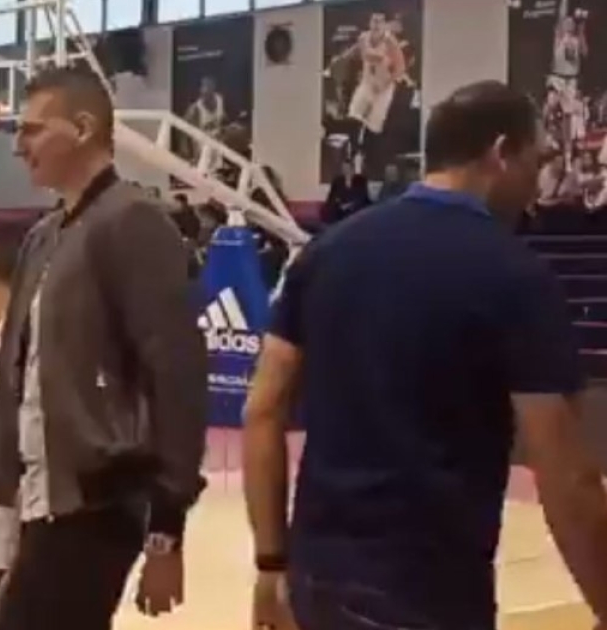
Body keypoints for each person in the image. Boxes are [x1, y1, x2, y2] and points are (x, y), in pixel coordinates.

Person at [245, 80, 607, 630]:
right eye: (535, 162)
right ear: (500, 152)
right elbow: (567, 474)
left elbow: (262, 409)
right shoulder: (514, 275)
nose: (537, 184)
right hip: (426, 594)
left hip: (316, 583)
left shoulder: (325, 253)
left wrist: (271, 564)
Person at [0, 65, 208, 630]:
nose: (18, 146)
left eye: (32, 130)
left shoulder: (134, 221)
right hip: (42, 499)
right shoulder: (43, 237)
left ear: (83, 128)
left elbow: (177, 377)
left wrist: (167, 530)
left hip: (99, 504)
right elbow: (13, 381)